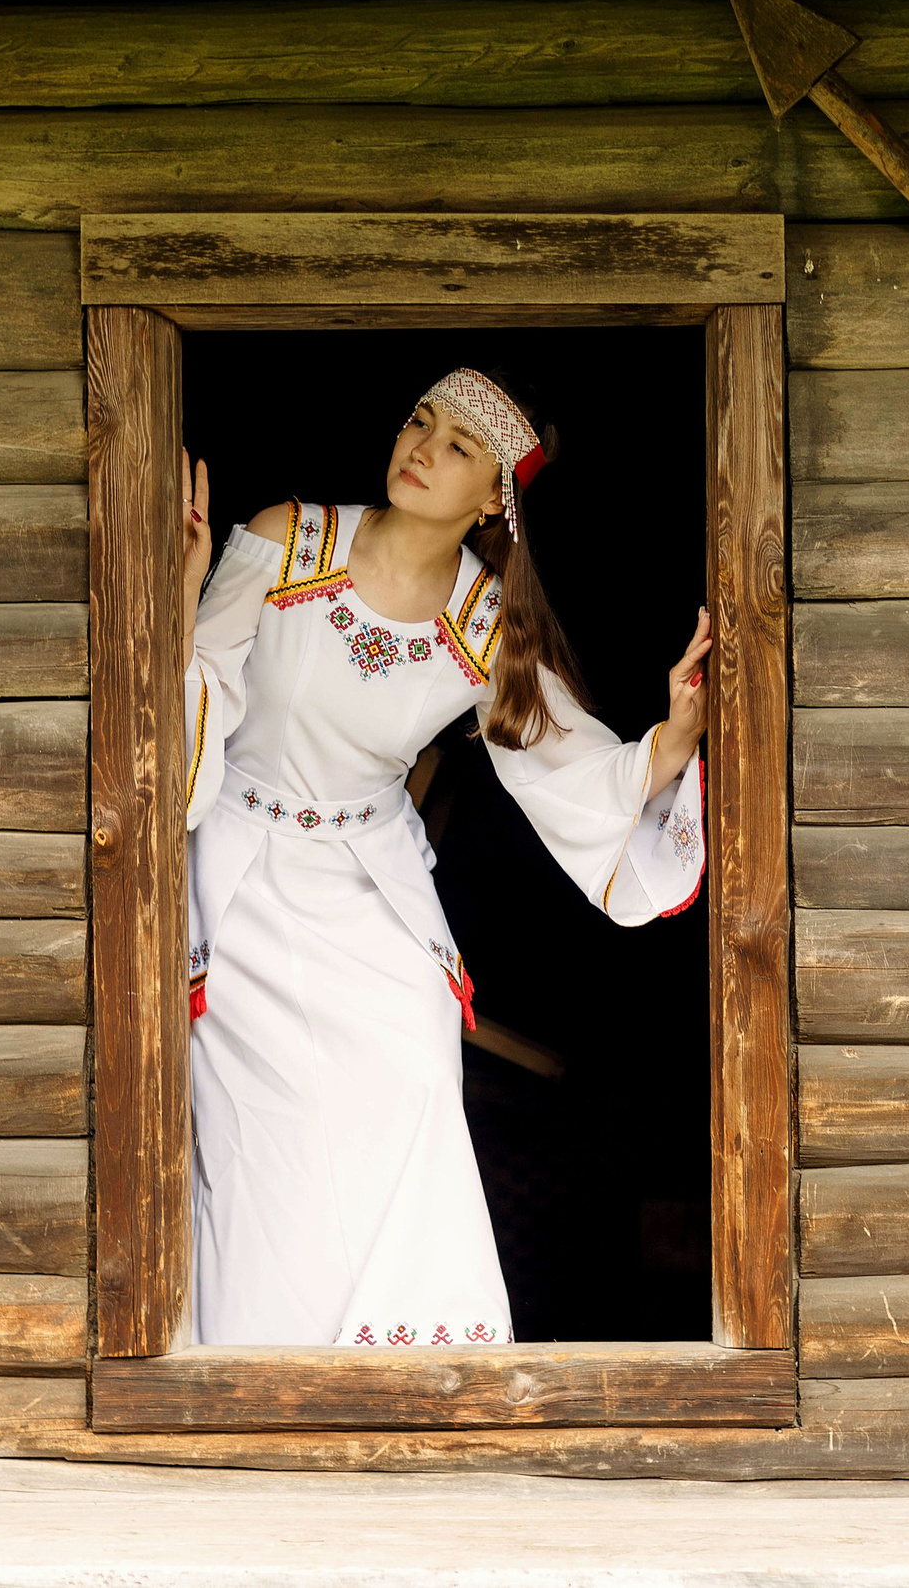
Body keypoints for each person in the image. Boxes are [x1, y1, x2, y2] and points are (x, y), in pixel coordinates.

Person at [178, 366, 710, 1348]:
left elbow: (564, 759)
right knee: (267, 1124)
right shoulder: (285, 537)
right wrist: (177, 597)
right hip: (242, 870)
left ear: (490, 501)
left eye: (459, 447)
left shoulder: (482, 625)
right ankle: (260, 1357)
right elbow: (196, 680)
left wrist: (669, 745)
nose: (424, 449)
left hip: (367, 886)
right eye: (420, 423)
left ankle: (407, 1359)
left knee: (417, 1073)